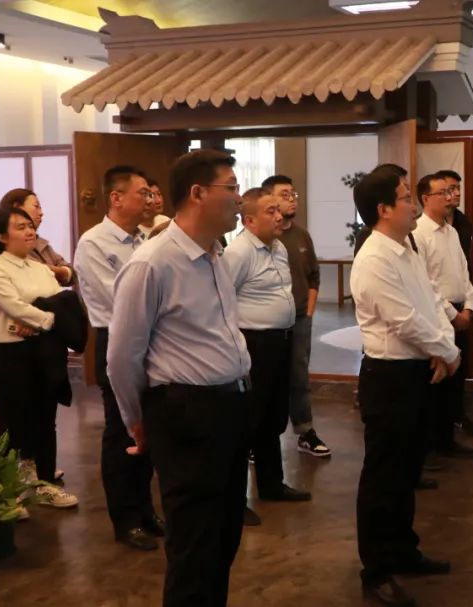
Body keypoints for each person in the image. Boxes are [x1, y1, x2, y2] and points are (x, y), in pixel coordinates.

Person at [107, 149, 252, 606]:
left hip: (230, 405)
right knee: (194, 544)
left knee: (224, 536)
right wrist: (136, 418)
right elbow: (122, 355)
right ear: (198, 193)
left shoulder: (215, 255)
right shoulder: (152, 263)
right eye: (232, 187)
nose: (239, 198)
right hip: (186, 412)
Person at [351, 169, 461, 607]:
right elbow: (404, 320)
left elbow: (430, 301)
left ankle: (403, 551)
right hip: (389, 378)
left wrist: (445, 345)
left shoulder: (406, 247)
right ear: (383, 209)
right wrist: (446, 352)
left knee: (406, 473)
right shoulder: (374, 258)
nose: (413, 205)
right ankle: (376, 569)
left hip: (417, 371)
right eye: (404, 198)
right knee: (384, 478)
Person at [74, 166, 164, 551]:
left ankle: (145, 510)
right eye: (142, 193)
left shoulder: (145, 238)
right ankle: (125, 520)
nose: (150, 200)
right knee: (122, 433)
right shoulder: (94, 243)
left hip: (152, 341)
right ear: (116, 197)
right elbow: (121, 301)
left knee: (149, 430)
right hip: (116, 339)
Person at [0, 206, 79, 509]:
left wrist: (40, 317)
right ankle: (7, 494)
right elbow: (15, 306)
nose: (29, 231)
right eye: (20, 227)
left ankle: (45, 484)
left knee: (45, 421)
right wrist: (49, 320)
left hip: (44, 352)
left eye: (30, 226)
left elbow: (60, 300)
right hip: (9, 355)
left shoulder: (41, 268)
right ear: (1, 236)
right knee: (13, 425)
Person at [223, 192, 312, 515]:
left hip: (280, 340)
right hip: (254, 344)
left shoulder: (278, 247)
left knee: (273, 416)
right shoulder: (238, 252)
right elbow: (223, 301)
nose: (279, 216)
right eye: (270, 211)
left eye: (278, 210)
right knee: (249, 419)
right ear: (249, 220)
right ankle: (234, 501)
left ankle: (272, 484)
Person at [263, 175, 331, 458]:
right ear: (269, 199)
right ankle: (261, 437)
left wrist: (309, 312)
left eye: (294, 194)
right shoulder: (262, 238)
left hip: (301, 318)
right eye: (285, 194)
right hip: (268, 324)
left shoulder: (302, 235)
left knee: (299, 377)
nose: (292, 199)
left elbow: (314, 275)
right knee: (268, 378)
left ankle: (305, 431)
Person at [412, 174, 473, 460]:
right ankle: (429, 446)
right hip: (437, 314)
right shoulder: (418, 233)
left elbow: (465, 274)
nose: (450, 197)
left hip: (460, 311)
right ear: (426, 198)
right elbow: (426, 283)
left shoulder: (451, 232)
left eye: (452, 191)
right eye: (443, 192)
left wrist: (468, 308)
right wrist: (452, 314)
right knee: (435, 382)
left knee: (455, 380)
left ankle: (447, 440)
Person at [0, 188, 75, 287]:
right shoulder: (4, 248)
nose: (41, 213)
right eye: (36, 207)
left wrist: (51, 270)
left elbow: (72, 275)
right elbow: (30, 272)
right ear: (17, 207)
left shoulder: (39, 242)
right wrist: (59, 272)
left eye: (30, 227)